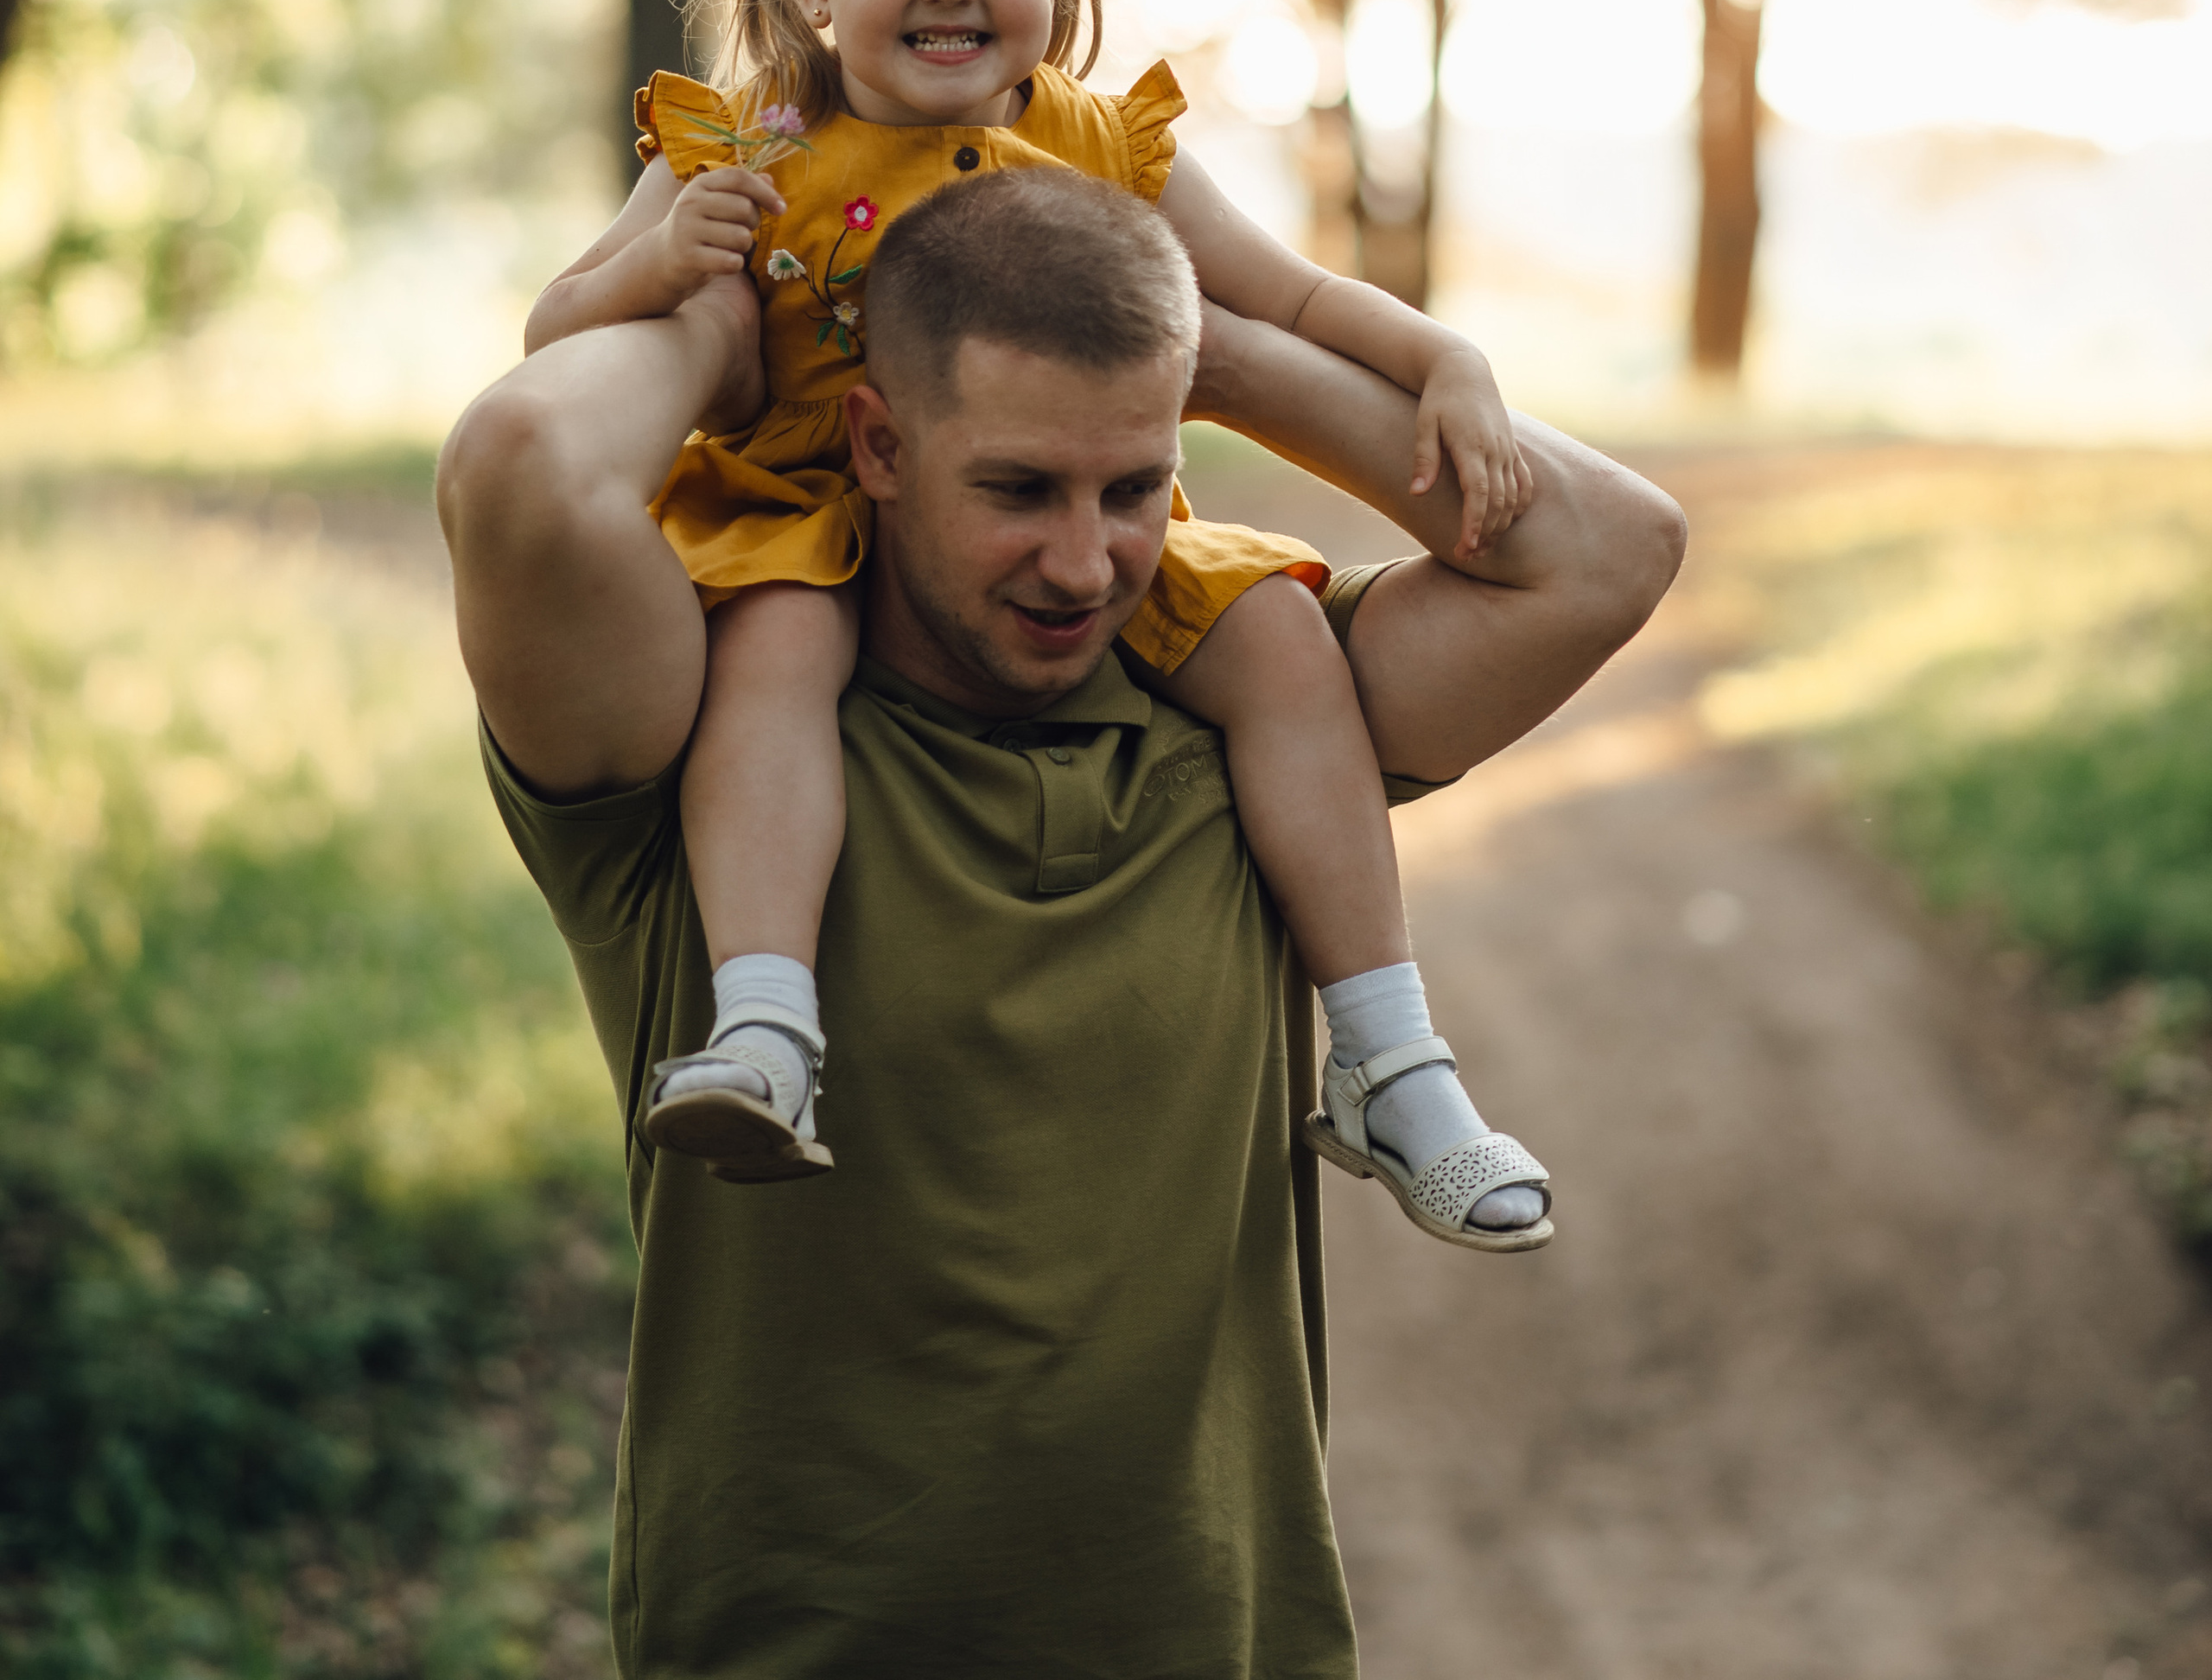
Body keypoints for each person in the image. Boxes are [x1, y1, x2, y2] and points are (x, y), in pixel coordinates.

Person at [439, 165, 1686, 1680]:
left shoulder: (1256, 729)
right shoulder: (707, 760)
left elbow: (1609, 546)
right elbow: (518, 459)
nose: (1087, 563)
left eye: (1135, 488)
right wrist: (725, 331)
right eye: (1020, 488)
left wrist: (1217, 347)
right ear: (879, 441)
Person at [526, 0, 1548, 1245]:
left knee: (1280, 642)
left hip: (1062, 513)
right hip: (814, 513)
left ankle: (1390, 1057)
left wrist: (1444, 354)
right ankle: (765, 1030)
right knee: (774, 659)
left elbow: (1290, 294)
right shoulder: (755, 139)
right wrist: (661, 262)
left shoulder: (1094, 138)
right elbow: (555, 333)